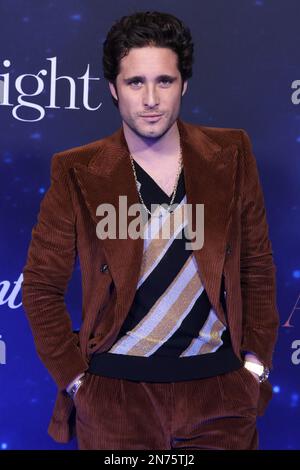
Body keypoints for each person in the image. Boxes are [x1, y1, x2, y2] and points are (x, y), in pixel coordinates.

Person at [22, 11, 279, 450]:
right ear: (113, 89)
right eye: (135, 82)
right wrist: (78, 381)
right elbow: (42, 286)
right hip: (115, 401)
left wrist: (253, 365)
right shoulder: (78, 171)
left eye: (164, 81)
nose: (150, 98)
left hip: (218, 398)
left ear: (184, 85)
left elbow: (255, 266)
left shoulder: (231, 154)